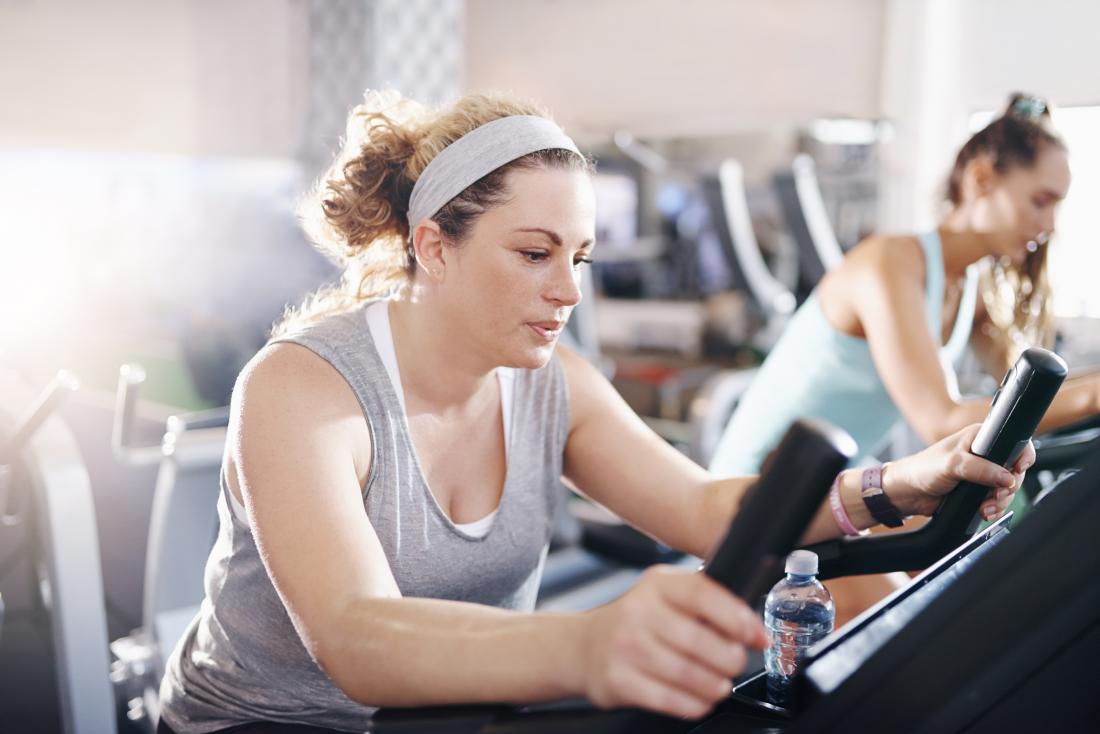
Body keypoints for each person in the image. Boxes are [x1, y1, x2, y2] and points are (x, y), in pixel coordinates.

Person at [157, 91, 1030, 734]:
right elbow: (356, 638)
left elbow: (702, 510)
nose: (568, 289)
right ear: (434, 247)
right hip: (265, 722)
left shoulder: (550, 383)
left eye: (578, 256)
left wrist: (898, 485)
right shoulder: (301, 388)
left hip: (450, 716)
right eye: (534, 253)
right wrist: (586, 646)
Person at [710, 93, 1100, 478]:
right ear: (980, 179)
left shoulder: (971, 289)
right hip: (751, 492)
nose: (1050, 226)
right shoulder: (889, 264)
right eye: (1040, 201)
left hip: (821, 486)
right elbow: (941, 422)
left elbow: (1029, 392)